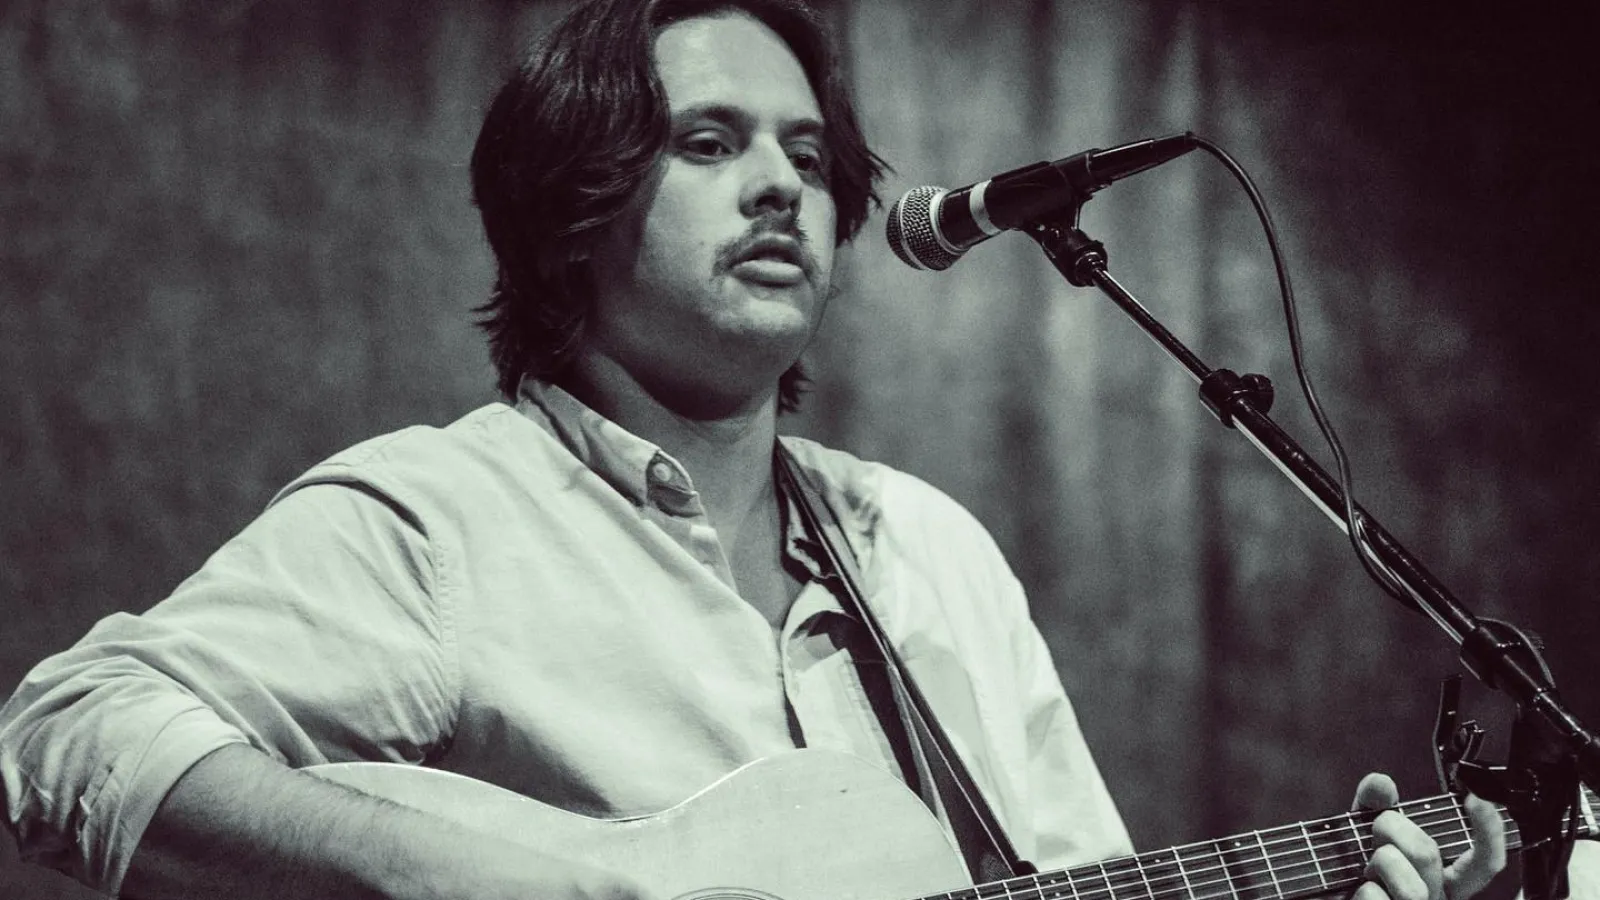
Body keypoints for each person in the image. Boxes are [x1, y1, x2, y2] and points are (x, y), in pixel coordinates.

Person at [0, 1, 1508, 898]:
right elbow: (68, 727)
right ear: (572, 210)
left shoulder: (929, 555)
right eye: (709, 146)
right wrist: (488, 877)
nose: (783, 190)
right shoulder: (448, 521)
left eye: (806, 156)